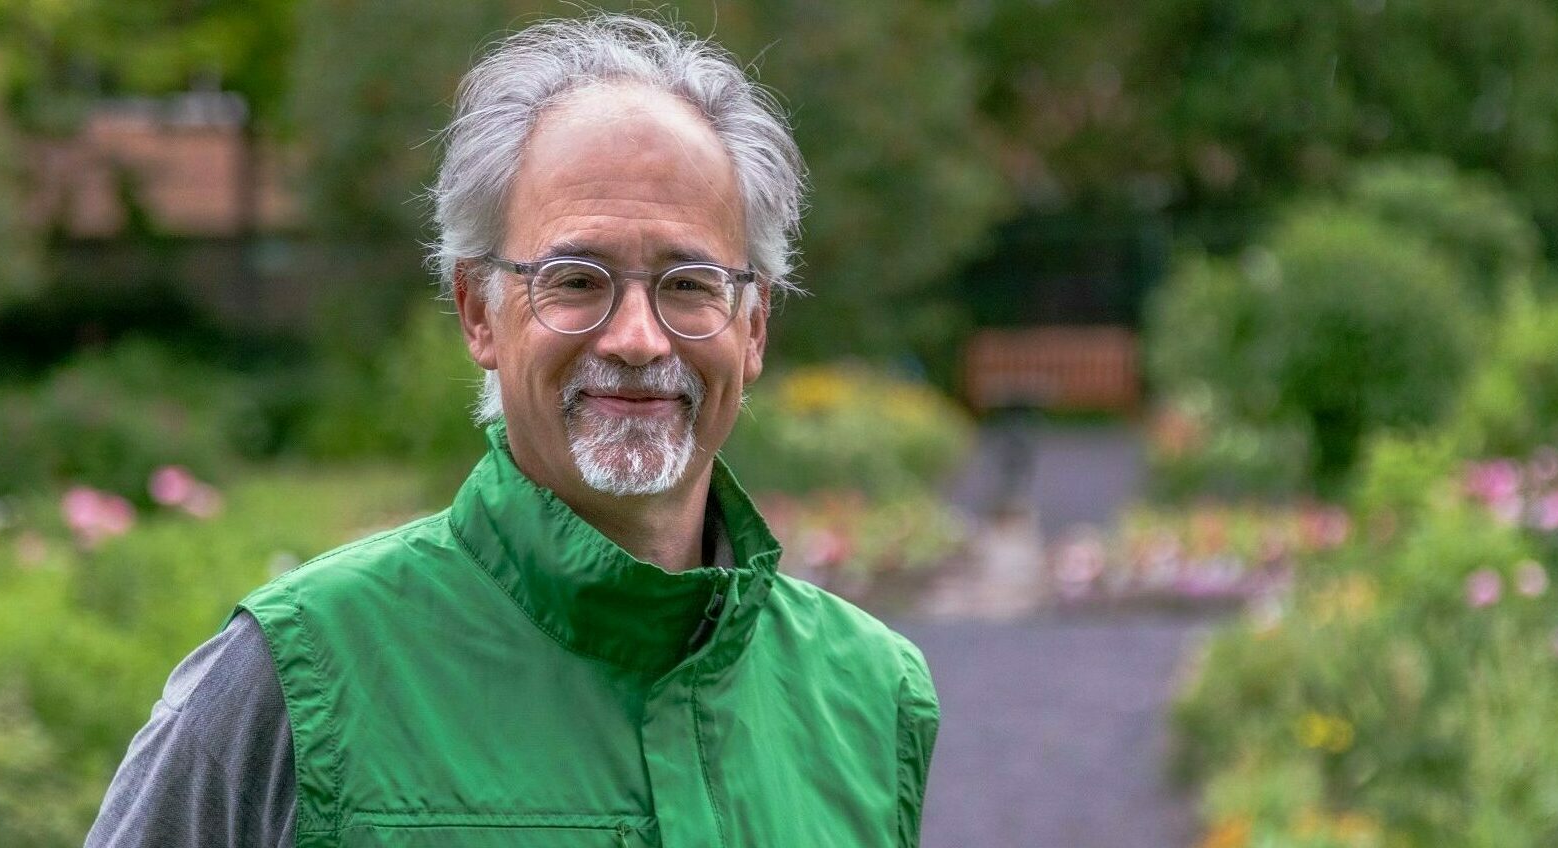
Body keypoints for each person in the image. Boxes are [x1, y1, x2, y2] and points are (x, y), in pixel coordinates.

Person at [84, 14, 939, 848]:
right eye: (576, 278)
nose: (637, 338)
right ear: (478, 312)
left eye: (688, 283)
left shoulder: (869, 696)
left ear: (752, 329)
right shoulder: (297, 678)